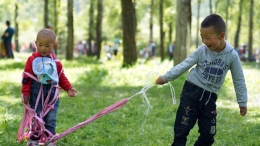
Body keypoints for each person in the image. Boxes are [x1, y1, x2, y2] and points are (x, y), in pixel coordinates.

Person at [155, 14, 247, 146]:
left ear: (221, 36)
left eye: (208, 38)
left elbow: (239, 79)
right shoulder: (201, 51)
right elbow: (184, 65)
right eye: (202, 37)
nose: (204, 41)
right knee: (181, 131)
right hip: (191, 92)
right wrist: (165, 78)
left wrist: (242, 101)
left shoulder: (232, 56)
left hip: (210, 97)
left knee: (208, 137)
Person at [21, 28, 77, 146]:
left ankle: (50, 139)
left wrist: (69, 88)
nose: (43, 48)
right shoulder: (32, 60)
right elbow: (26, 77)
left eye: (47, 46)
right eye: (40, 45)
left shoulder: (56, 62)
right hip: (36, 96)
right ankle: (34, 140)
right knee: (37, 117)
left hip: (51, 96)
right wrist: (26, 92)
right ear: (35, 44)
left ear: (54, 46)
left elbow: (61, 77)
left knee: (51, 118)